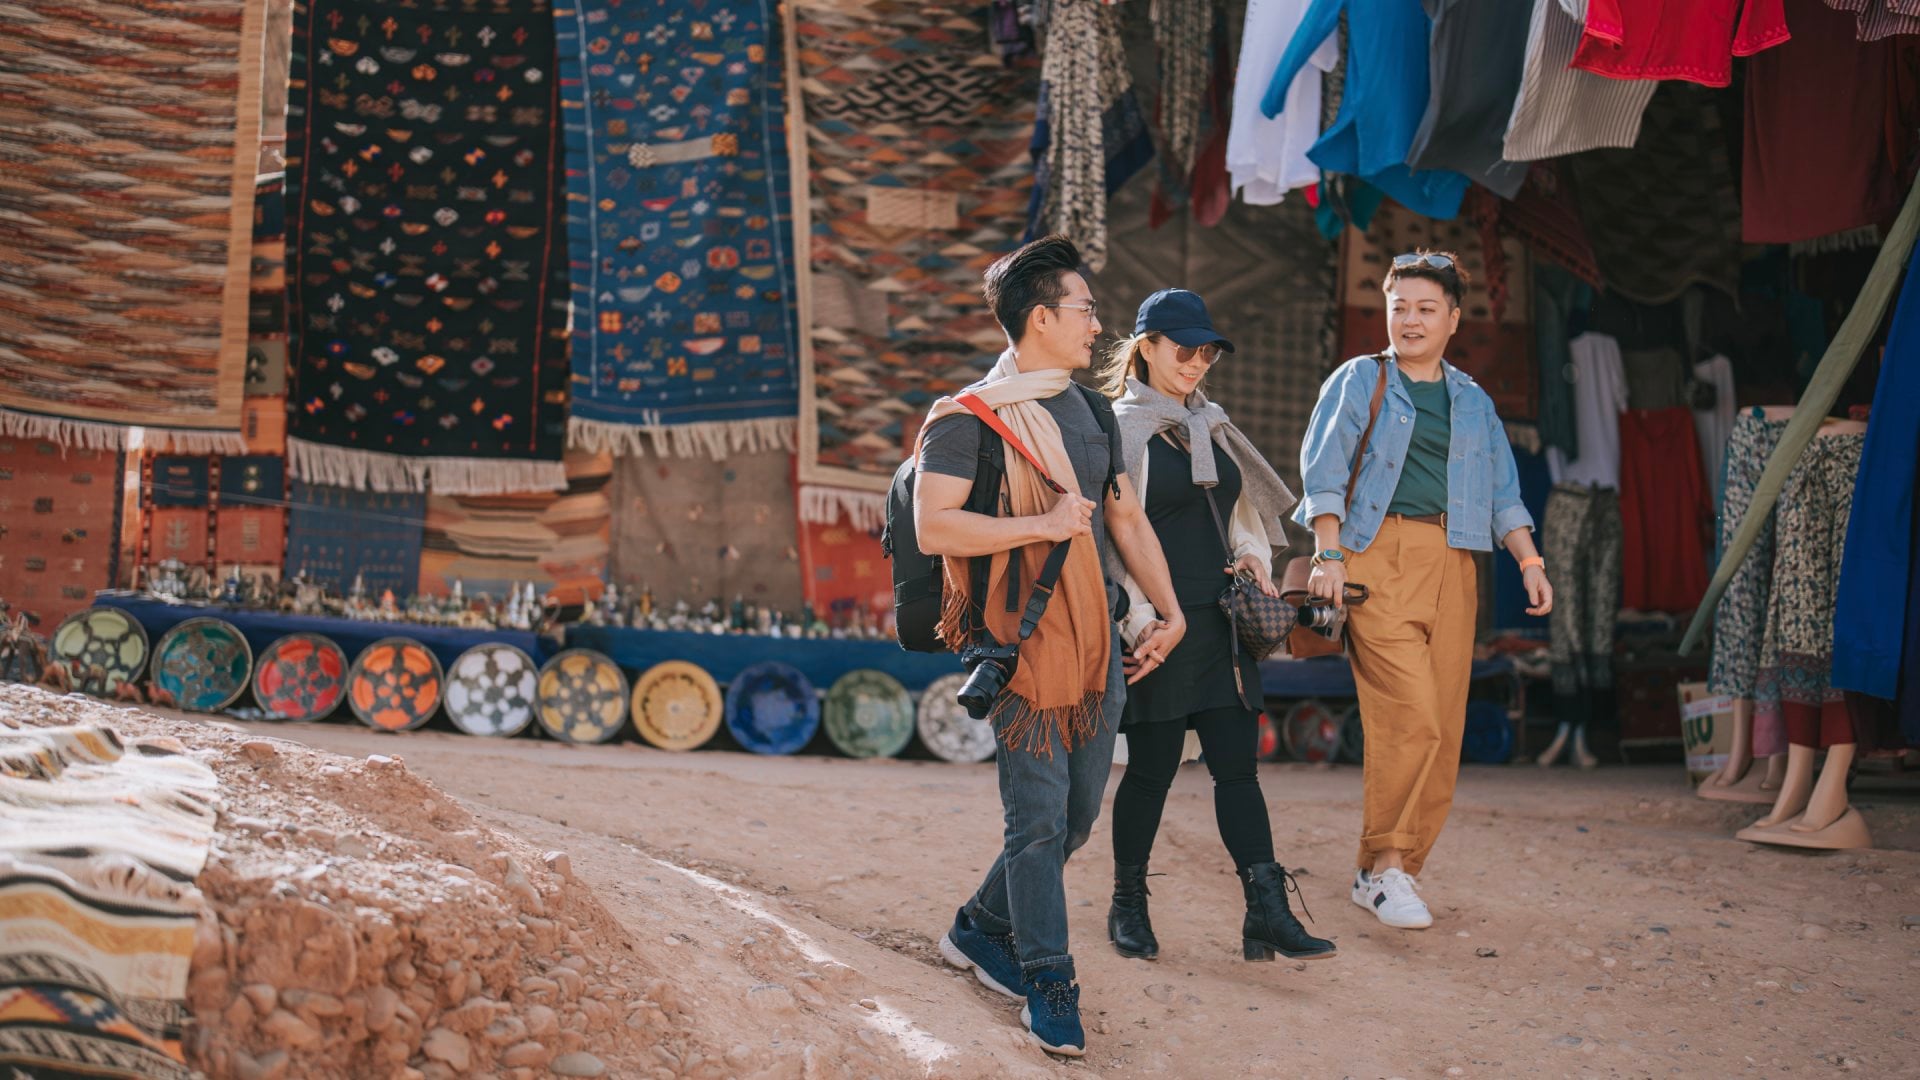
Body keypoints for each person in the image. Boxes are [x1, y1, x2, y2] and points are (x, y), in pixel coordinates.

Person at [914, 235, 1187, 1057]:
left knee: (1073, 819)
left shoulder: (1094, 409)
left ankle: (975, 928)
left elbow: (1124, 517)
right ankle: (1048, 979)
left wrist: (1171, 612)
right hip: (1019, 637)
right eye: (1086, 310)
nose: (1098, 326)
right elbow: (934, 526)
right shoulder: (969, 418)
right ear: (1041, 317)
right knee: (1035, 823)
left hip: (1095, 637)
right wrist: (1038, 522)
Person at [1296, 250, 1553, 930]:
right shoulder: (1360, 380)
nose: (1410, 320)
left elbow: (1503, 492)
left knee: (1444, 725)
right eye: (1399, 306)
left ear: (1453, 319)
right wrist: (1329, 553)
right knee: (1411, 716)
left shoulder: (1472, 401)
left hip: (1455, 563)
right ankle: (1384, 866)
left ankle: (1393, 869)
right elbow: (1323, 469)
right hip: (1375, 557)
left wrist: (1529, 562)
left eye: (1425, 308)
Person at [1099, 289, 1337, 964]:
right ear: (1145, 346)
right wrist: (1140, 620)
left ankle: (1266, 912)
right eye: (1185, 349)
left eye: (1208, 351)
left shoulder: (1212, 425)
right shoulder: (1123, 430)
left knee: (1239, 772)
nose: (1198, 362)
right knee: (1151, 772)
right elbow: (1113, 540)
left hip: (1222, 621)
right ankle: (1128, 902)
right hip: (1159, 626)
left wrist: (1256, 559)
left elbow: (1241, 518)